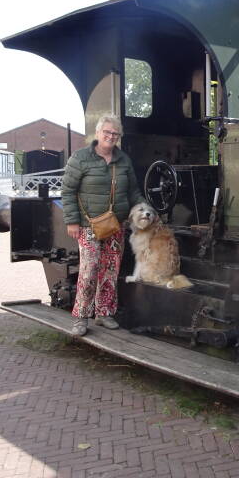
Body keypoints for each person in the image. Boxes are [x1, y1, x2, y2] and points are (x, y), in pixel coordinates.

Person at [61, 115, 145, 336]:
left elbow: (133, 191)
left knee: (110, 270)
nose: (111, 136)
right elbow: (68, 191)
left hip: (115, 226)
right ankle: (81, 317)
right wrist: (72, 221)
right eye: (107, 132)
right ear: (98, 133)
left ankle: (104, 313)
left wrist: (144, 209)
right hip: (88, 226)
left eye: (115, 133)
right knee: (89, 271)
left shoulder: (123, 160)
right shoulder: (80, 158)